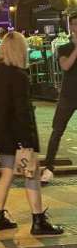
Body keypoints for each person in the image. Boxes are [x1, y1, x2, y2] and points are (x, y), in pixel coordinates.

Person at [0, 32, 63, 235]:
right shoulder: (19, 76)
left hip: (1, 136)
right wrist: (27, 141)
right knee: (31, 175)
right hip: (18, 136)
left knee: (7, 173)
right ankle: (38, 220)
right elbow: (21, 111)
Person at [41, 13, 77, 184]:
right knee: (57, 131)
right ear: (71, 26)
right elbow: (65, 66)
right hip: (68, 96)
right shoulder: (64, 48)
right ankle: (48, 168)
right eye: (75, 24)